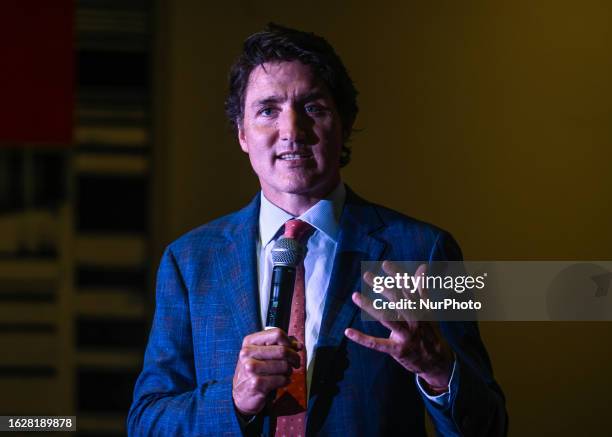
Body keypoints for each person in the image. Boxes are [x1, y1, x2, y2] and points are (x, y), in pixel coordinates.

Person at [128, 24, 507, 436]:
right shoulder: (190, 262)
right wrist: (234, 401)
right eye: (267, 110)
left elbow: (489, 426)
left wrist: (439, 371)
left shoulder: (424, 250)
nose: (292, 130)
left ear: (343, 122)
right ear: (241, 133)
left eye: (312, 107)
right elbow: (147, 423)